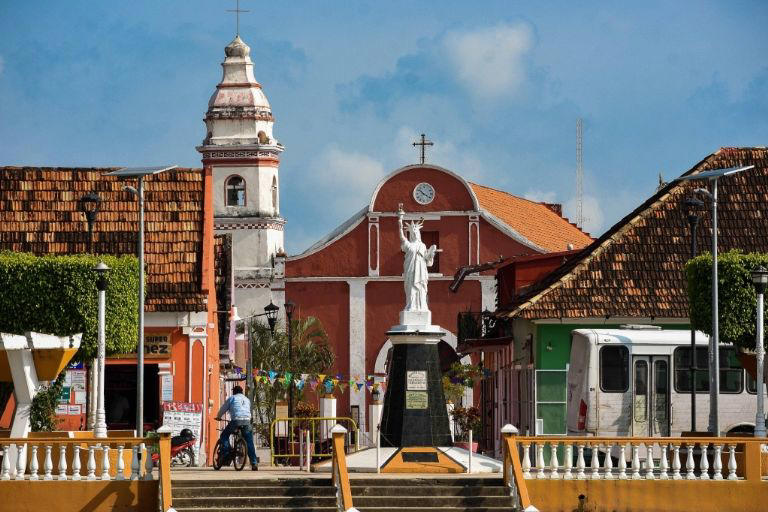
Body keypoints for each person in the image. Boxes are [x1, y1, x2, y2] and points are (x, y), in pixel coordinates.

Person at [398, 208, 437, 311]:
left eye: (416, 232)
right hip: (410, 269)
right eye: (413, 232)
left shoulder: (422, 245)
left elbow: (428, 261)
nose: (415, 233)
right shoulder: (408, 245)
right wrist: (400, 221)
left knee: (421, 288)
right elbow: (402, 237)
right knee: (410, 287)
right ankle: (411, 306)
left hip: (421, 270)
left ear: (418, 233)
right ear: (410, 234)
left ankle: (422, 307)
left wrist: (431, 253)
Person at [214, 385, 259, 470]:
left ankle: (226, 452)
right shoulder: (247, 399)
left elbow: (223, 409)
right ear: (241, 392)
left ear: (234, 392)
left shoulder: (232, 398)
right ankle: (254, 462)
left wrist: (218, 416)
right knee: (249, 442)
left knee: (224, 435)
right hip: (246, 421)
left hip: (236, 421)